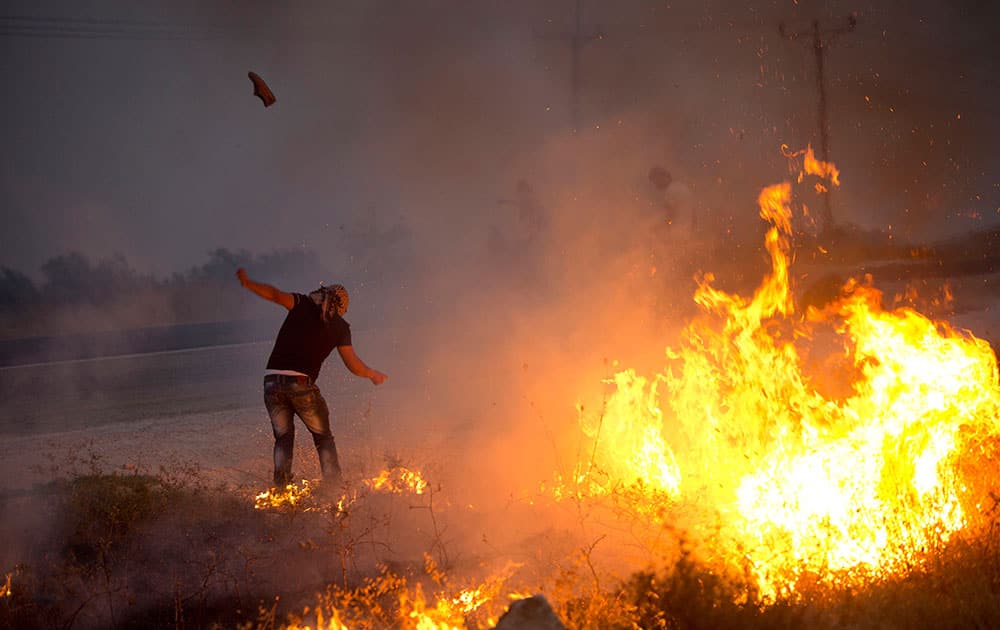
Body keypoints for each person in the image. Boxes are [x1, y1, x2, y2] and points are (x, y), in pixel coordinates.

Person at [236, 268, 387, 489]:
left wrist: (249, 284)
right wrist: (372, 374)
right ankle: (333, 487)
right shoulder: (339, 326)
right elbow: (353, 364)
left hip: (271, 382)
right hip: (300, 384)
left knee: (283, 438)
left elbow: (276, 295)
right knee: (323, 437)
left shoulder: (301, 303)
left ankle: (281, 489)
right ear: (341, 307)